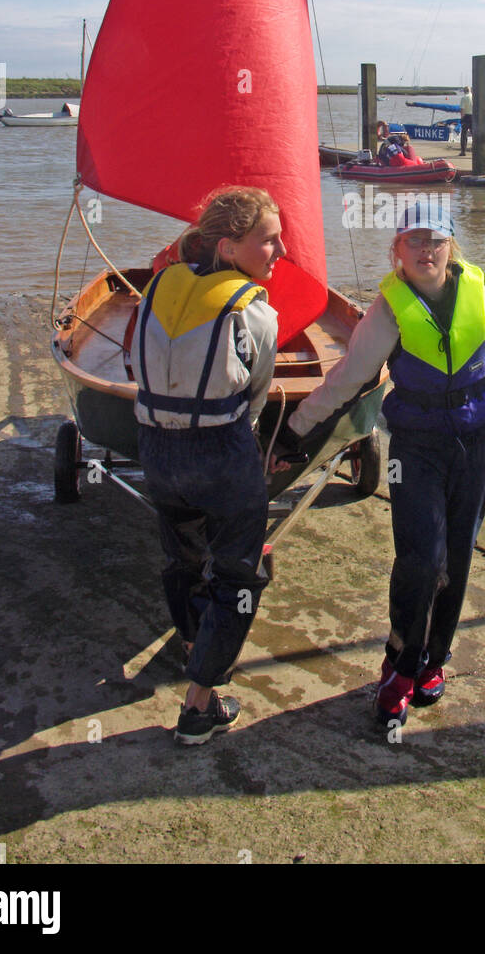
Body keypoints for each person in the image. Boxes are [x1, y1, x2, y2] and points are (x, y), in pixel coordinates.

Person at [278, 198, 485, 727]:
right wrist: (295, 433)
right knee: (421, 560)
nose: (426, 250)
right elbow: (347, 380)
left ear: (451, 247)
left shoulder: (481, 299)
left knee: (458, 559)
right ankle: (399, 666)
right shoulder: (388, 310)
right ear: (397, 249)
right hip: (416, 450)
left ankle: (435, 658)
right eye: (414, 240)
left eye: (436, 240)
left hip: (474, 447)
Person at [133, 185, 286, 745]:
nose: (281, 251)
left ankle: (196, 644)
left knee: (182, 560)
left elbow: (138, 365)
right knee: (241, 575)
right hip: (220, 454)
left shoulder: (155, 289)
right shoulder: (255, 311)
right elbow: (257, 398)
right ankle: (200, 703)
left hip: (156, 451)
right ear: (228, 247)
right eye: (268, 241)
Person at [459, 85, 473, 155]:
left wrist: (462, 118)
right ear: (470, 90)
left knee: (464, 134)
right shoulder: (474, 97)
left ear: (464, 91)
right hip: (474, 116)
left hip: (466, 116)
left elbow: (462, 109)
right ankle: (477, 149)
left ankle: (463, 151)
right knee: (474, 134)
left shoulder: (464, 98)